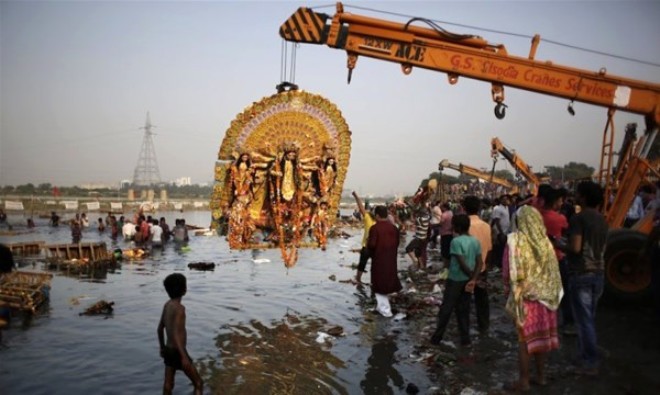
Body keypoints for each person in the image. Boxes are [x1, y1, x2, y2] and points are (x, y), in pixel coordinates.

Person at [502, 205, 563, 392]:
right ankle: (542, 377)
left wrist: (510, 291)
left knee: (525, 342)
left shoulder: (515, 243)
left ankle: (524, 381)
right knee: (540, 340)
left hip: (525, 300)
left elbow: (507, 272)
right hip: (546, 300)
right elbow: (554, 271)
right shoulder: (545, 243)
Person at [562, 181, 608, 376]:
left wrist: (557, 243)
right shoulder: (602, 219)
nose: (576, 196)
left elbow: (575, 248)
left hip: (581, 272)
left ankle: (590, 362)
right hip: (598, 272)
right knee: (588, 318)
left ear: (584, 197)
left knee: (584, 320)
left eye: (578, 193)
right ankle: (585, 354)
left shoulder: (578, 219)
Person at [431, 214, 482, 346]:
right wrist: (474, 278)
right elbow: (479, 263)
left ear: (457, 227)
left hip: (455, 279)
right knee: (463, 309)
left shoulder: (456, 242)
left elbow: (461, 262)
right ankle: (465, 339)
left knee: (446, 309)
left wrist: (471, 276)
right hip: (468, 280)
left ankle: (437, 338)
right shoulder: (475, 241)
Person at [157, 273, 203, 395]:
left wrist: (162, 348)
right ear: (184, 290)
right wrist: (184, 357)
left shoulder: (167, 305)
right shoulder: (180, 309)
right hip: (178, 351)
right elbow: (177, 335)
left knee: (168, 384)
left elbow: (160, 328)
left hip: (168, 349)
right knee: (198, 383)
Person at [540, 188, 573, 334]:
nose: (561, 203)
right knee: (564, 292)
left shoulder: (535, 216)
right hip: (557, 258)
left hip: (540, 260)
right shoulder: (560, 219)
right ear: (554, 201)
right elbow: (566, 235)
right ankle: (568, 322)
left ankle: (544, 322)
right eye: (560, 200)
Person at [463, 195, 492, 334]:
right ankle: (483, 326)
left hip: (466, 269)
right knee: (482, 298)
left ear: (463, 208)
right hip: (482, 267)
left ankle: (464, 328)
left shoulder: (463, 226)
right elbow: (489, 248)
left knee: (464, 299)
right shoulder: (486, 226)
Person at [367, 205, 402, 317]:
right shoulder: (394, 228)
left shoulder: (375, 228)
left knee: (379, 284)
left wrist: (368, 244)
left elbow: (372, 245)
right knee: (388, 280)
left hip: (379, 259)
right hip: (391, 258)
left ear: (377, 215)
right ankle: (380, 307)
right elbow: (397, 243)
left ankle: (386, 311)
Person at [353, 191, 376, 284]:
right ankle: (361, 279)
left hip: (368, 247)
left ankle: (358, 279)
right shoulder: (372, 219)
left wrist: (356, 196)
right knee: (367, 264)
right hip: (372, 247)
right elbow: (361, 207)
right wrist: (356, 197)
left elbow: (361, 207)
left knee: (362, 264)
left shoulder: (368, 218)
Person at [405, 205, 430, 271]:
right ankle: (421, 267)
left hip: (419, 238)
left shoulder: (420, 219)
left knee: (408, 249)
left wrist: (412, 213)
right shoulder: (427, 218)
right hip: (424, 238)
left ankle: (415, 261)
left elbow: (412, 220)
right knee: (418, 252)